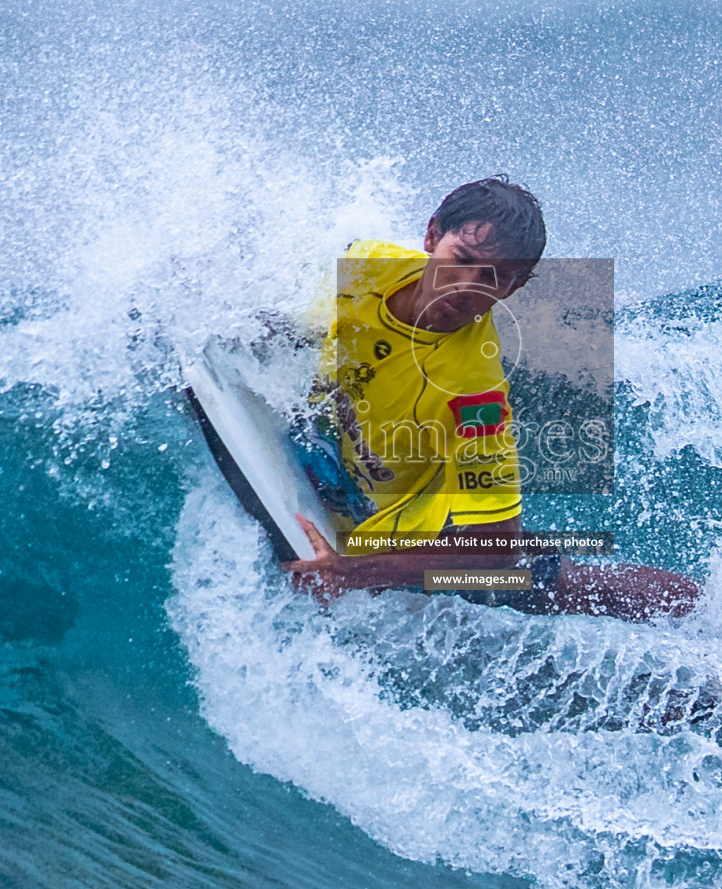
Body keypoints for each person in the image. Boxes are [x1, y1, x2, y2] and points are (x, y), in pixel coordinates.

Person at [284, 176, 700, 621]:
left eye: (492, 278)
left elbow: (496, 549)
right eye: (460, 259)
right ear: (431, 235)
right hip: (339, 461)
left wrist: (350, 572)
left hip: (410, 537)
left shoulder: (474, 395)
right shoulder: (364, 263)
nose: (465, 286)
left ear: (514, 287)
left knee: (560, 585)